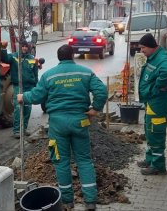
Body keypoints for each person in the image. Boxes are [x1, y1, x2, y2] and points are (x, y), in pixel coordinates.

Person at [16, 44, 106, 210]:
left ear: (58, 57)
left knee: (61, 162)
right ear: (72, 56)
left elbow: (36, 96)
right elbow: (101, 91)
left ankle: (67, 201)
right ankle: (90, 201)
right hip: (80, 121)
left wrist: (23, 97)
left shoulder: (49, 75)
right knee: (84, 160)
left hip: (57, 125)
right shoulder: (85, 72)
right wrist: (94, 109)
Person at [136, 33, 167, 176]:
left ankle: (158, 166)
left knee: (155, 133)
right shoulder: (154, 57)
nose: (142, 51)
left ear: (151, 46)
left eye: (143, 48)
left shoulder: (162, 59)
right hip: (151, 102)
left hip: (157, 103)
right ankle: (150, 159)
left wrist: (156, 88)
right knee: (149, 131)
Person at [0, 40, 38, 138]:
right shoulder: (13, 57)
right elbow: (4, 59)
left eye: (26, 47)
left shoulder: (32, 59)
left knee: (27, 109)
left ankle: (24, 129)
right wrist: (3, 48)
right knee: (18, 108)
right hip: (18, 87)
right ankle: (17, 131)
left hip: (29, 87)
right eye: (23, 46)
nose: (24, 48)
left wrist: (36, 86)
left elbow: (35, 73)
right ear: (19, 47)